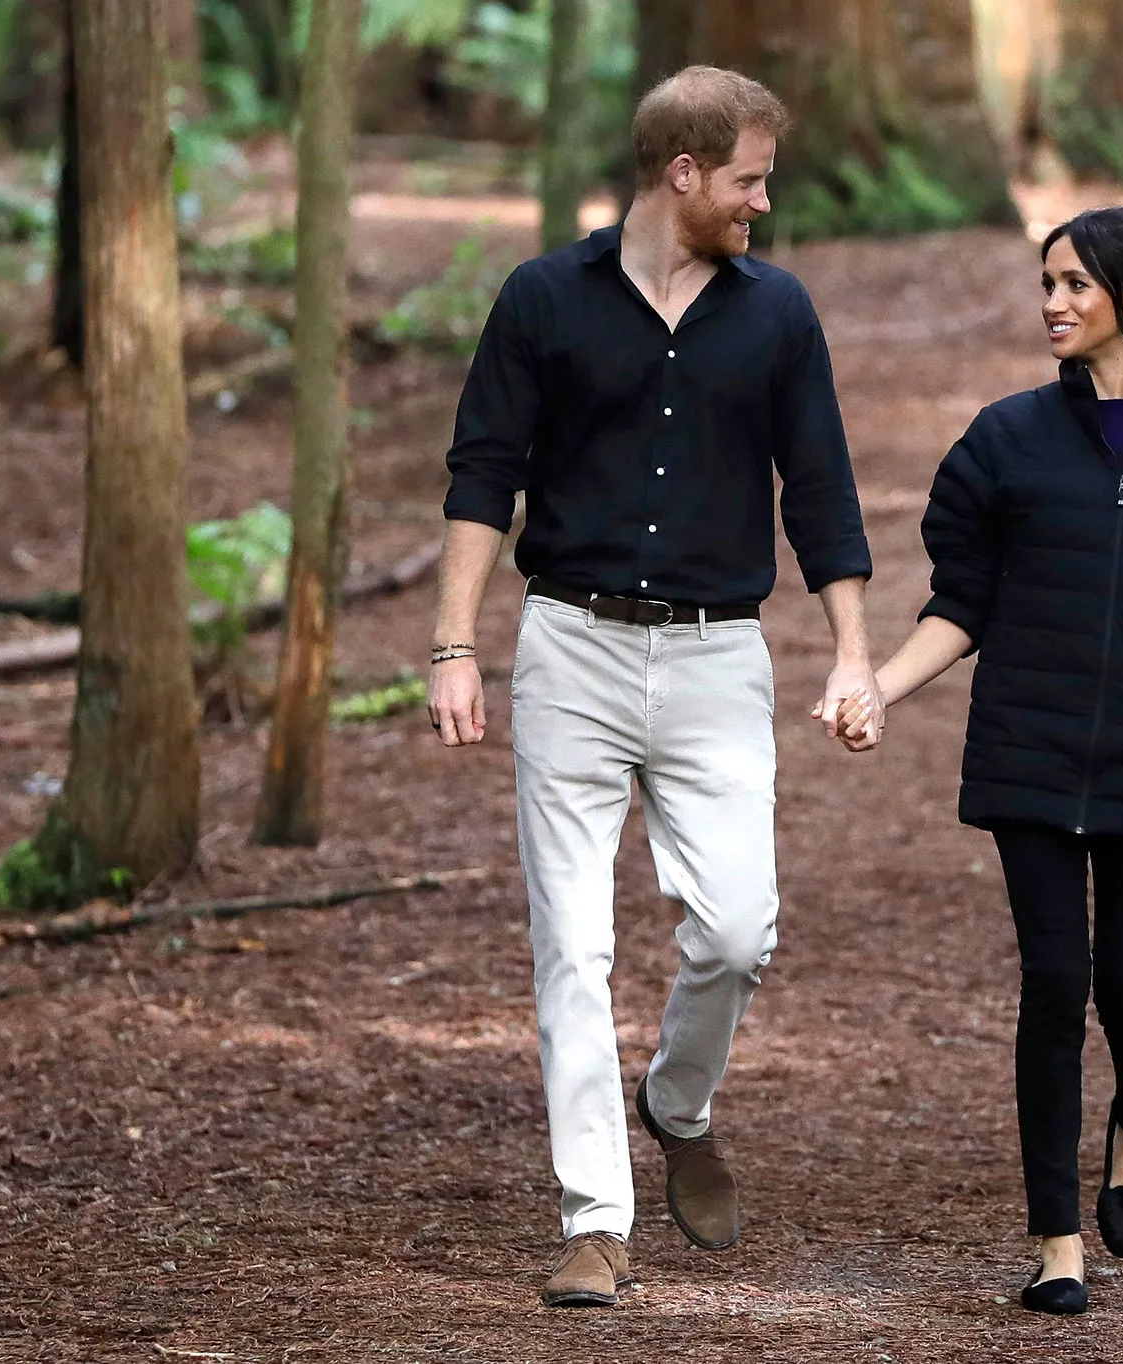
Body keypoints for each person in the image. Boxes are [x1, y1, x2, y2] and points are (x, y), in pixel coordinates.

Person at [427, 66, 884, 1309]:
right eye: (748, 180)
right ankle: (594, 1219)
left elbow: (824, 491)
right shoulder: (542, 300)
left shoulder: (775, 314)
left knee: (738, 930)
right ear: (680, 173)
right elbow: (481, 473)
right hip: (569, 646)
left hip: (714, 658)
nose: (763, 205)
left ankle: (674, 1098)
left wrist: (850, 649)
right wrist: (454, 641)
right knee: (570, 947)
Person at [832, 206, 1123, 1315]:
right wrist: (877, 686)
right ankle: (1055, 1239)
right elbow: (961, 603)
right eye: (1045, 281)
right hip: (1028, 752)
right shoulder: (1004, 441)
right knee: (1054, 983)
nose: (1052, 302)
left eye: (1075, 283)